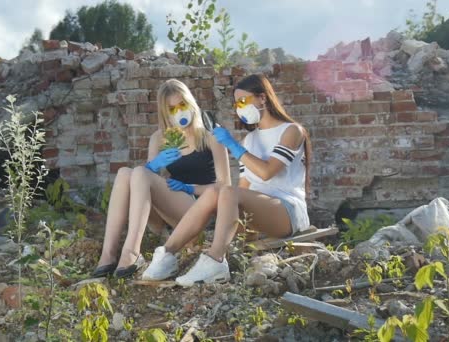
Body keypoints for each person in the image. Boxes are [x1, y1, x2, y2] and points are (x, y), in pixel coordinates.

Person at [142, 73, 312, 286]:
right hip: (261, 211)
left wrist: (234, 147)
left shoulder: (292, 131)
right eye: (236, 103)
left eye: (243, 101)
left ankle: (215, 261)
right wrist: (237, 232)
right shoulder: (250, 139)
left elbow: (267, 173)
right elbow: (244, 187)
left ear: (262, 98)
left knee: (227, 190)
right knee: (218, 191)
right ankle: (167, 254)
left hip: (288, 211)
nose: (240, 108)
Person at [91, 79, 230, 279]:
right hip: (169, 211)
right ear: (165, 113)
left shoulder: (210, 136)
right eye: (172, 109)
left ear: (191, 103)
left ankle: (132, 252)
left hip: (200, 210)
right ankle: (108, 255)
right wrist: (153, 166)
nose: (179, 112)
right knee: (124, 173)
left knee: (139, 173)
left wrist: (190, 188)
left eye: (182, 105)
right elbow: (145, 183)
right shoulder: (159, 138)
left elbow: (225, 186)